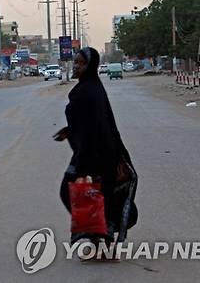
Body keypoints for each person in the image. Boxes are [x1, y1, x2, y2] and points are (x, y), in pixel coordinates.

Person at [54, 47, 138, 248]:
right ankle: (98, 232)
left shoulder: (88, 91)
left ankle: (97, 231)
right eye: (75, 62)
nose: (76, 66)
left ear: (90, 66)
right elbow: (88, 121)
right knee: (98, 194)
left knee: (71, 191)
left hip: (93, 154)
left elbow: (94, 125)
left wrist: (83, 157)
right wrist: (70, 130)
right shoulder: (91, 87)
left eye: (80, 63)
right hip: (99, 152)